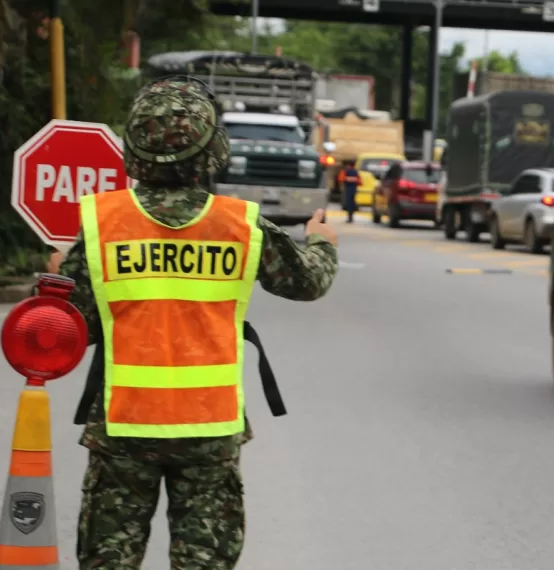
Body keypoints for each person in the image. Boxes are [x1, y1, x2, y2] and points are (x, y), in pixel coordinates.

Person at [46, 76, 340, 570]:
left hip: (123, 429)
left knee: (108, 559)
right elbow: (308, 282)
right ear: (213, 148)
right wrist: (322, 240)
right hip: (210, 428)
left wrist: (57, 278)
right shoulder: (239, 224)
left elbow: (74, 329)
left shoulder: (103, 222)